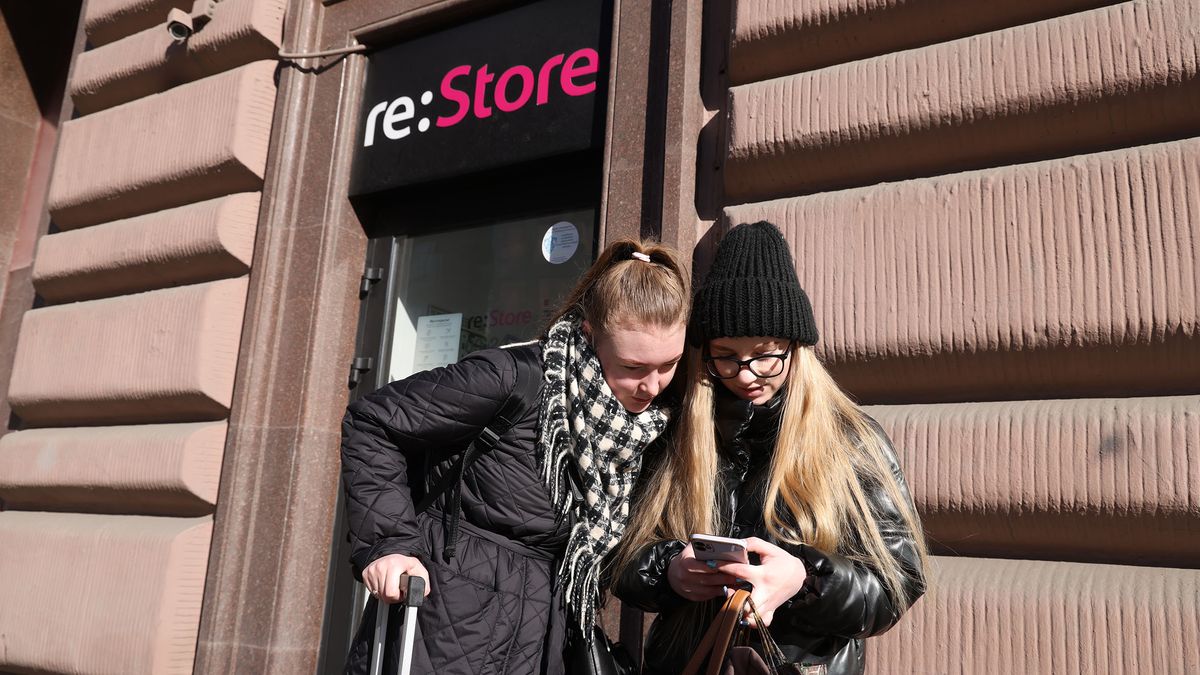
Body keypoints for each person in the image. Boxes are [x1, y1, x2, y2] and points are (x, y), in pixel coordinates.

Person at [340, 239, 691, 675]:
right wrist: (388, 546)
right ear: (589, 333)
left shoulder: (646, 426)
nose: (653, 386)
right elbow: (373, 422)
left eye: (668, 365)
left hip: (544, 636)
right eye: (634, 367)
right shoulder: (512, 377)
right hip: (446, 619)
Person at [612, 221, 928, 675]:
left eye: (765, 353)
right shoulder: (674, 430)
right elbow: (614, 552)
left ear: (795, 348)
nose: (745, 373)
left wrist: (806, 581)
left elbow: (899, 581)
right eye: (726, 355)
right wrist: (667, 571)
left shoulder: (851, 440)